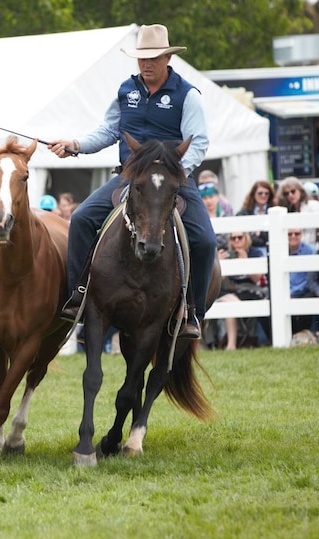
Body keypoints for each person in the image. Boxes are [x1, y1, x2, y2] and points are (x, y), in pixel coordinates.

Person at [47, 23, 216, 339]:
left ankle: (193, 312)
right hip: (130, 178)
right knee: (82, 219)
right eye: (142, 59)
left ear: (167, 58)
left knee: (205, 241)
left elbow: (200, 141)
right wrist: (75, 145)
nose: (147, 64)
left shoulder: (188, 95)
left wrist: (176, 176)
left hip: (175, 181)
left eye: (153, 58)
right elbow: (109, 131)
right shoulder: (127, 91)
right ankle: (80, 295)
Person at [210, 231, 267, 350]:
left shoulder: (255, 253)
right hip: (230, 292)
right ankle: (230, 343)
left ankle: (232, 344)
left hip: (252, 291)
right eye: (233, 238)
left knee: (230, 301)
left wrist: (245, 261)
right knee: (229, 301)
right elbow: (217, 281)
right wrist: (219, 265)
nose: (236, 241)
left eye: (239, 237)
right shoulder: (226, 254)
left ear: (246, 238)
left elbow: (258, 278)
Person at [277, 177, 319, 247]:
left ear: (300, 190)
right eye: (286, 193)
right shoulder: (285, 210)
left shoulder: (313, 206)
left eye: (293, 191)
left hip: (313, 246)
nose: (290, 195)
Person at [286, 228, 316, 333]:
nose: (293, 236)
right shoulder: (280, 251)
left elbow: (310, 279)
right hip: (286, 291)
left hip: (304, 290)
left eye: (296, 234)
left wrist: (292, 293)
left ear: (301, 235)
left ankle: (302, 335)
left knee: (306, 302)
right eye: (289, 234)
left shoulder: (311, 251)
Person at [235, 180, 277, 252]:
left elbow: (274, 236)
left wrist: (259, 233)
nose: (263, 195)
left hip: (271, 250)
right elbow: (244, 237)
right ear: (253, 194)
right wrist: (263, 237)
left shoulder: (274, 211)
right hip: (250, 251)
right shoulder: (244, 213)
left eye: (266, 193)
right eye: (260, 193)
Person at [201, 182, 229, 250]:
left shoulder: (226, 216)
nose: (208, 201)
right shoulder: (200, 220)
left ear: (217, 197)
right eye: (205, 198)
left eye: (211, 197)